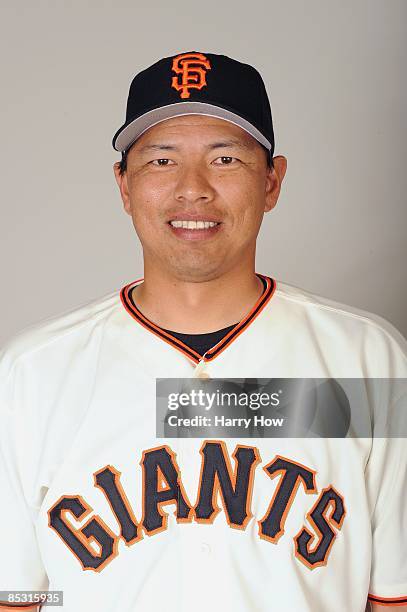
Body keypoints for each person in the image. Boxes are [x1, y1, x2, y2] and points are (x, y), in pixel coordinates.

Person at [0, 50, 406, 612]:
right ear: (123, 185)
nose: (193, 189)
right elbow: (13, 595)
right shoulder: (32, 373)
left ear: (272, 181)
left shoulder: (366, 361)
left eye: (225, 159)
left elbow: (395, 594)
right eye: (161, 161)